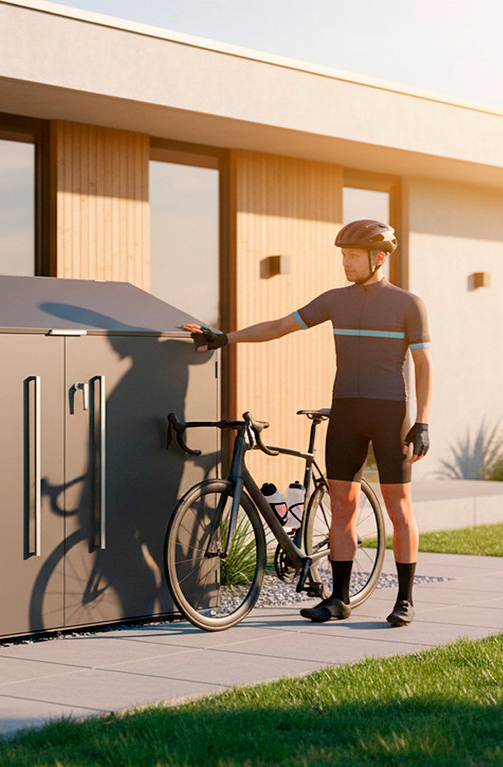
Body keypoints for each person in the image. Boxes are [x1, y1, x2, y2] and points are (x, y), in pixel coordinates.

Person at [183, 219, 432, 627]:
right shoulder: (335, 299)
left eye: (352, 256)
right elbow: (280, 326)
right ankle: (338, 598)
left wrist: (422, 422)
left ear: (379, 258)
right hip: (346, 412)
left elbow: (423, 364)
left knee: (398, 508)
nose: (345, 263)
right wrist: (225, 338)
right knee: (341, 507)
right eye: (343, 256)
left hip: (391, 413)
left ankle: (404, 599)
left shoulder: (408, 304)